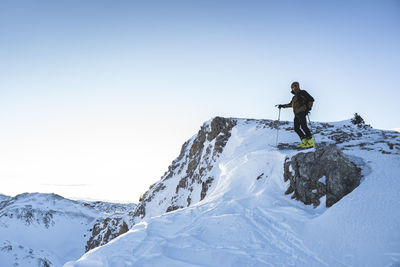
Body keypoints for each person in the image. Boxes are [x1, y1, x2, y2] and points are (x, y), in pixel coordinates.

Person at [278, 82, 315, 148]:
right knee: (296, 128)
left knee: (304, 126)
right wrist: (282, 106)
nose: (293, 88)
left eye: (294, 87)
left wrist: (308, 108)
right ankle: (305, 142)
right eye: (292, 87)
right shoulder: (294, 97)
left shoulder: (303, 92)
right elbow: (290, 105)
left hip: (302, 112)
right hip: (296, 113)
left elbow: (311, 99)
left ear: (297, 86)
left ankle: (311, 142)